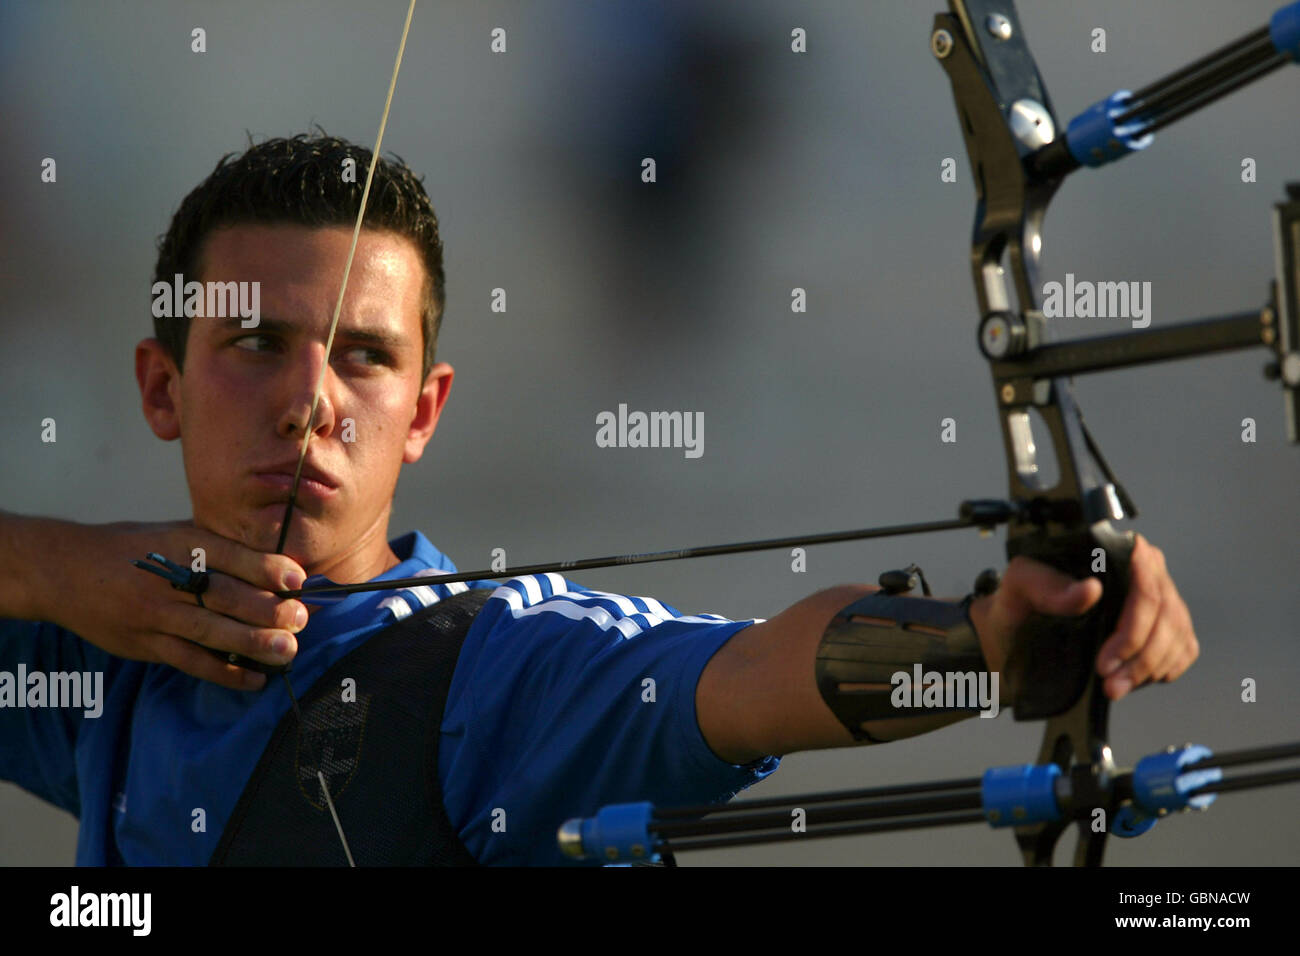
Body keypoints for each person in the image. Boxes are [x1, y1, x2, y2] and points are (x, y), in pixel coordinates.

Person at [0, 134, 1198, 866]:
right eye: (255, 342)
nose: (311, 398)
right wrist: (49, 565)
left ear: (424, 410)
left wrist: (995, 638)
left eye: (364, 355)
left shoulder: (496, 673)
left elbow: (747, 680)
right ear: (161, 385)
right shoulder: (106, 642)